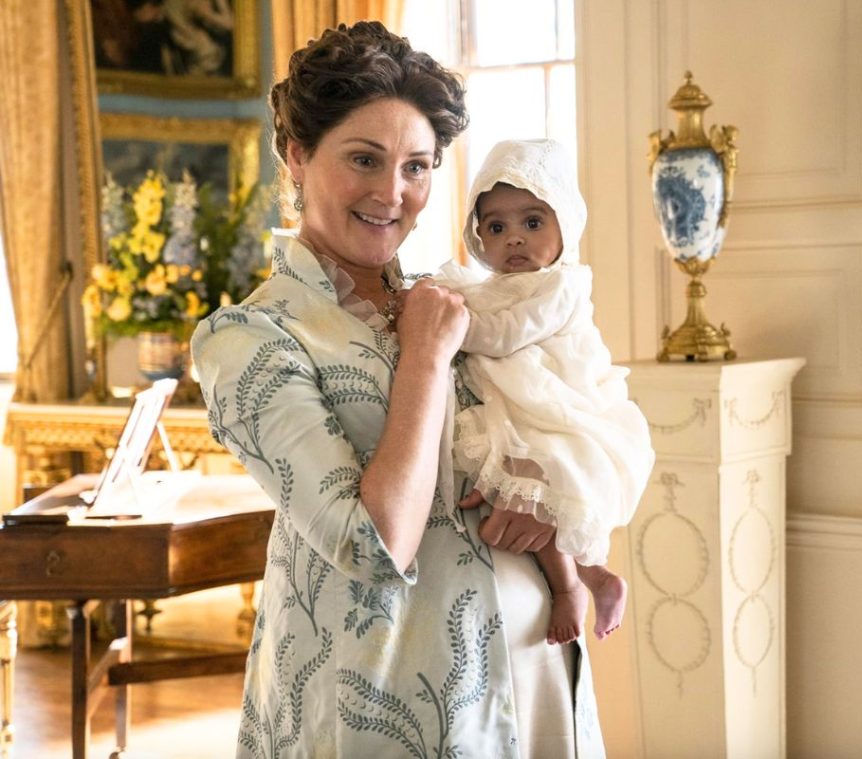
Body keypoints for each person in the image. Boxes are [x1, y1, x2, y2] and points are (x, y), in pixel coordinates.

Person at [190, 22, 605, 758]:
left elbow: (532, 439)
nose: (393, 192)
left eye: (417, 166)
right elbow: (375, 545)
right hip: (388, 713)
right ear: (296, 155)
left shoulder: (449, 299)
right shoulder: (249, 337)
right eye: (364, 159)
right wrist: (423, 356)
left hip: (537, 679)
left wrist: (560, 534)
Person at [430, 139, 655, 646]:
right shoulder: (491, 288)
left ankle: (567, 588)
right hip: (521, 401)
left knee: (539, 485)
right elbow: (477, 306)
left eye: (532, 222)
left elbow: (506, 333)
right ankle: (598, 578)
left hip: (560, 402)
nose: (514, 239)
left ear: (565, 225)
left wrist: (447, 327)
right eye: (496, 227)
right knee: (526, 487)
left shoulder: (562, 285)